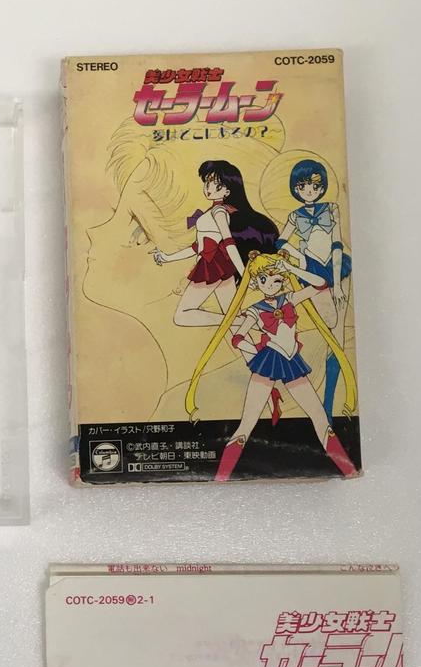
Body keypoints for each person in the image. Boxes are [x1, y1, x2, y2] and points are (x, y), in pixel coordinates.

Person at [185, 251, 358, 481]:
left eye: (276, 279)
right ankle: (220, 478)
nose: (270, 284)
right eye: (264, 279)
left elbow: (320, 284)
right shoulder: (256, 310)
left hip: (292, 363)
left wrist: (291, 268)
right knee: (246, 426)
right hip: (267, 362)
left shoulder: (290, 298)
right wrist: (255, 353)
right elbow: (238, 337)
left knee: (320, 419)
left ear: (283, 280)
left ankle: (349, 471)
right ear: (256, 281)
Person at [150, 160, 278, 328]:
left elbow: (229, 243)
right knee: (232, 319)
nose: (209, 188)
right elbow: (197, 247)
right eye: (207, 182)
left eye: (217, 185)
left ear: (227, 191)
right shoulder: (213, 212)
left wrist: (245, 274)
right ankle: (255, 331)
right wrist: (167, 258)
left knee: (182, 316)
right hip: (221, 266)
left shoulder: (219, 212)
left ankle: (250, 321)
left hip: (212, 266)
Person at [274, 159, 352, 416]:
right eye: (303, 186)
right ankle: (323, 406)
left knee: (337, 336)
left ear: (322, 186)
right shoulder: (294, 216)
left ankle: (329, 403)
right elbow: (280, 242)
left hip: (337, 268)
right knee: (330, 329)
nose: (309, 191)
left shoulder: (332, 208)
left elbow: (337, 244)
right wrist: (300, 257)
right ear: (296, 188)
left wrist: (337, 284)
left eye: (315, 186)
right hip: (312, 271)